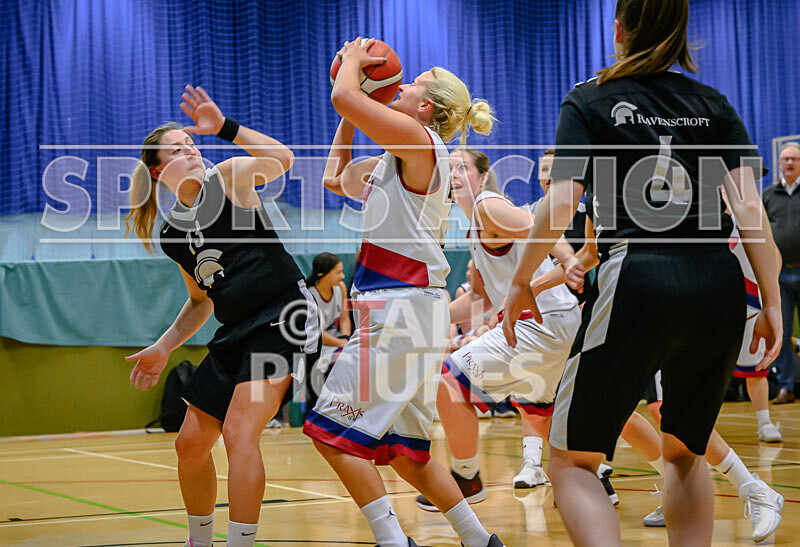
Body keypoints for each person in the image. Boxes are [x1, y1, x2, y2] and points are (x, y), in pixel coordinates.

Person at [503, 1, 782, 545]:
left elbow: (561, 204)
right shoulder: (713, 103)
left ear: (618, 30)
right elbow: (751, 213)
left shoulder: (590, 98)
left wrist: (520, 280)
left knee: (573, 462)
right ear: (682, 34)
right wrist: (769, 300)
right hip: (718, 282)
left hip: (639, 273)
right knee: (684, 450)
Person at [302, 38, 503, 547]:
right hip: (412, 310)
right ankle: (480, 541)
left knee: (330, 434)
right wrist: (354, 101)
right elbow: (334, 177)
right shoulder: (397, 156)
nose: (403, 83)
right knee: (407, 452)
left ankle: (393, 540)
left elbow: (345, 99)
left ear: (425, 107)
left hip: (399, 307)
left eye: (412, 83)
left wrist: (350, 73)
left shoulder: (419, 141)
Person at [124, 85, 319, 547]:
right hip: (237, 329)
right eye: (178, 148)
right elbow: (200, 301)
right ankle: (200, 541)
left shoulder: (228, 177)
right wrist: (164, 345)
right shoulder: (173, 233)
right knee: (189, 445)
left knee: (238, 431)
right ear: (158, 171)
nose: (191, 150)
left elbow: (284, 159)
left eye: (192, 143)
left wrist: (226, 128)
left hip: (284, 312)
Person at [538, 210, 784, 542]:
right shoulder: (595, 201)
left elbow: (750, 213)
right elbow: (589, 254)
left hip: (650, 285)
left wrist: (523, 280)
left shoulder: (613, 180)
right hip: (685, 288)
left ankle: (752, 487)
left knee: (656, 418)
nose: (547, 175)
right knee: (637, 422)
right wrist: (541, 281)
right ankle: (687, 490)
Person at [414, 147, 581, 511]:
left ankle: (466, 476)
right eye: (449, 168)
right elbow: (479, 299)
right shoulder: (475, 224)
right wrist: (425, 313)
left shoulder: (487, 206)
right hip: (552, 323)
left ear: (483, 177)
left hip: (541, 322)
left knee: (450, 381)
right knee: (544, 410)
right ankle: (594, 481)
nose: (454, 174)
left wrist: (568, 258)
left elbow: (541, 225)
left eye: (463, 168)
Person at [762, 141, 800, 404]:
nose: (789, 163)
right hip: (779, 277)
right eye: (785, 159)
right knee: (781, 334)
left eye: (794, 159)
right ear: (778, 163)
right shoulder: (767, 194)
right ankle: (785, 387)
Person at [306, 253, 352, 397]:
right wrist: (341, 343)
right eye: (338, 272)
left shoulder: (341, 287)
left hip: (339, 342)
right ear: (323, 274)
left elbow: (344, 318)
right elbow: (316, 333)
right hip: (319, 347)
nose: (343, 276)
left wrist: (345, 338)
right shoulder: (309, 295)